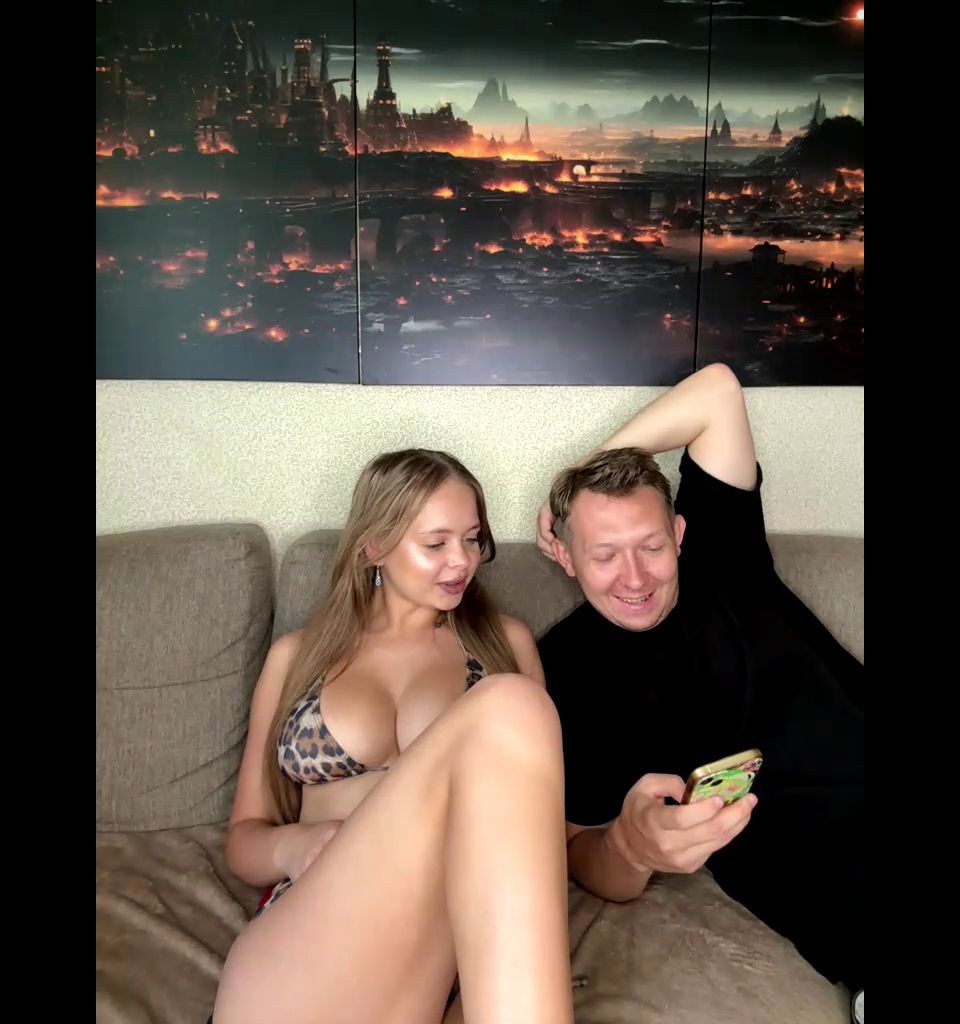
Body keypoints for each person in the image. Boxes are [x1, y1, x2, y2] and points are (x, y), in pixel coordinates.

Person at [535, 363, 864, 1006]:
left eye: (651, 546)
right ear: (566, 557)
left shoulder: (723, 553)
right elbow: (574, 848)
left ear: (681, 535)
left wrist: (574, 482)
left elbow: (716, 391)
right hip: (842, 882)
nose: (635, 577)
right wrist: (632, 847)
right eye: (603, 555)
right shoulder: (563, 671)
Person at [211, 449, 573, 1024]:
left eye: (472, 540)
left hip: (435, 954)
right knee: (510, 703)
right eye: (435, 543)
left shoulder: (503, 646)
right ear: (373, 546)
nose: (461, 561)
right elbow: (243, 839)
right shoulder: (296, 659)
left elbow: (536, 836)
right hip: (310, 941)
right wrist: (295, 847)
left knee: (512, 703)